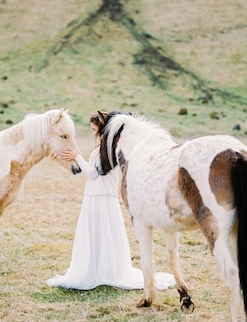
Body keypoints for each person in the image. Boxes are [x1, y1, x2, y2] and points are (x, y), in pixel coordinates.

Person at [46, 111, 175, 291]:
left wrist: (77, 156)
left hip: (100, 199)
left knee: (100, 235)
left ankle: (101, 271)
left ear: (101, 130)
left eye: (94, 129)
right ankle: (100, 269)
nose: (92, 133)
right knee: (101, 236)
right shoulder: (106, 149)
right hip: (97, 197)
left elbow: (92, 173)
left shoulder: (106, 151)